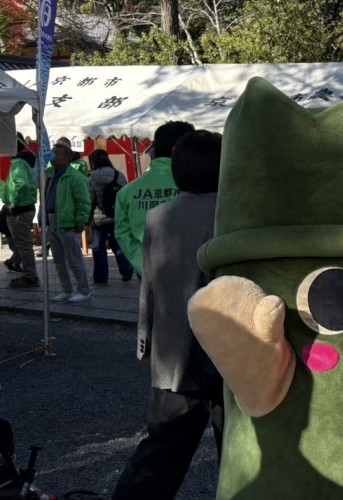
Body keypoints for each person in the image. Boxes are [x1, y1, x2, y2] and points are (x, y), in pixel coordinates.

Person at [112, 130, 225, 499]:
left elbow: (151, 283)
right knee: (239, 450)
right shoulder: (234, 213)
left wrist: (144, 338)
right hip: (230, 351)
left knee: (162, 450)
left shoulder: (159, 216)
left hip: (172, 350)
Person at [115, 120, 196, 276]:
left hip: (147, 269)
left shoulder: (127, 192)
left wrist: (143, 265)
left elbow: (123, 233)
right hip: (193, 270)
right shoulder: (198, 185)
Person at [46, 143, 93, 303]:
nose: (52, 156)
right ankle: (66, 289)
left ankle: (84, 290)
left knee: (75, 260)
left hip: (68, 222)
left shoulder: (76, 177)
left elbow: (84, 201)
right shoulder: (51, 175)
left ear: (66, 157)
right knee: (59, 260)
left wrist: (81, 220)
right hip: (52, 220)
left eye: (56, 154)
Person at [87, 149, 133, 284]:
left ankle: (101, 277)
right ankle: (125, 266)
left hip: (99, 218)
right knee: (117, 242)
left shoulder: (91, 177)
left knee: (98, 247)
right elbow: (126, 196)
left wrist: (86, 219)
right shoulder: (119, 175)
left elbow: (89, 199)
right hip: (117, 216)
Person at [4, 150, 38, 288]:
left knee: (24, 246)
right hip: (25, 207)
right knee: (25, 245)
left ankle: (30, 276)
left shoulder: (18, 163)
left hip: (20, 209)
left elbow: (21, 183)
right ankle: (29, 275)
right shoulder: (26, 163)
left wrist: (13, 202)